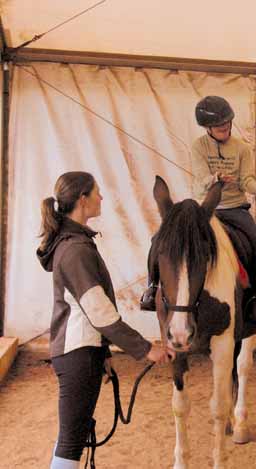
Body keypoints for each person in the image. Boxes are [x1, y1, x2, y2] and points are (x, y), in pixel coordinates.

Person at [37, 171, 173, 469]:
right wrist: (145, 349)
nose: (102, 197)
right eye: (97, 192)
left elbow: (92, 314)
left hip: (83, 352)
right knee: (71, 442)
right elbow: (100, 313)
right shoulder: (74, 249)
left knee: (72, 437)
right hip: (77, 355)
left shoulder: (73, 243)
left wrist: (103, 354)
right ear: (82, 200)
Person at [141, 96, 256, 323]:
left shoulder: (242, 148)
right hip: (204, 208)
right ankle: (152, 286)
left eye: (227, 123)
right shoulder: (198, 147)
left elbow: (247, 181)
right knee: (158, 238)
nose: (224, 127)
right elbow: (201, 177)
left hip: (234, 207)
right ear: (207, 128)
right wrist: (215, 178)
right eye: (218, 125)